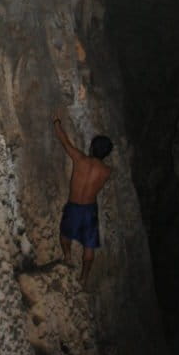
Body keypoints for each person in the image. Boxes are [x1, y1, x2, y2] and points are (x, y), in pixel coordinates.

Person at [53, 113, 113, 287]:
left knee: (65, 234)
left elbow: (65, 142)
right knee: (89, 245)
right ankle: (84, 278)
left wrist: (57, 122)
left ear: (92, 148)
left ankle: (68, 257)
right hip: (89, 209)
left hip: (74, 206)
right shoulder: (107, 171)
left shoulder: (80, 160)